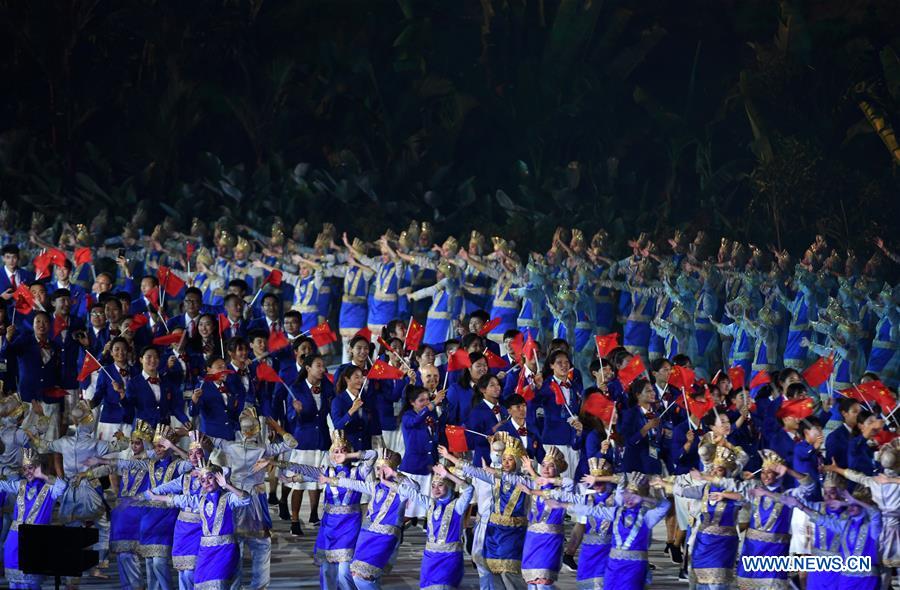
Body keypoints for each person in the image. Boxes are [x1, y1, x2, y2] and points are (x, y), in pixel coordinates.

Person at [277, 431, 377, 590]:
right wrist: (278, 465)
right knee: (327, 570)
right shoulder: (326, 471)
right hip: (329, 526)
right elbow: (305, 470)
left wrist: (350, 456)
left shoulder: (358, 471)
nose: (339, 454)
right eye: (336, 451)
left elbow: (373, 455)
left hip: (349, 525)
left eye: (343, 450)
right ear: (330, 454)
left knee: (345, 572)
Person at [546, 472, 671, 590]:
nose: (629, 498)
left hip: (634, 567)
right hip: (613, 565)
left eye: (634, 495)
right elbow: (592, 511)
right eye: (627, 493)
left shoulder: (647, 516)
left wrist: (650, 496)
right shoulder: (616, 512)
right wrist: (563, 505)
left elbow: (665, 505)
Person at [147, 459, 251, 590]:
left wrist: (227, 485)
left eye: (210, 478)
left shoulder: (228, 498)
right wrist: (156, 497)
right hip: (205, 551)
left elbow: (245, 498)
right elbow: (180, 500)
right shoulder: (200, 500)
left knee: (219, 585)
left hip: (225, 550)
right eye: (203, 480)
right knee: (201, 585)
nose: (206, 482)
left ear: (217, 479)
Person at [326, 448, 418, 590]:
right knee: (352, 574)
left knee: (364, 578)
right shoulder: (374, 486)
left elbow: (415, 487)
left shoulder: (401, 488)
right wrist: (328, 479)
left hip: (385, 537)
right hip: (366, 535)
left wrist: (394, 473)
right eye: (378, 468)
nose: (380, 472)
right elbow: (352, 483)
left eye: (384, 469)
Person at [0, 449, 68, 590]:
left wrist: (43, 475)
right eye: (24, 469)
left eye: (30, 468)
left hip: (35, 540)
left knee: (32, 583)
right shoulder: (20, 485)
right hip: (14, 540)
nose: (27, 472)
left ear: (38, 467)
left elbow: (63, 485)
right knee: (14, 583)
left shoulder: (50, 488)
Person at [404, 463, 474, 590]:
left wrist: (448, 475)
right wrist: (393, 474)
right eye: (433, 486)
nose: (435, 489)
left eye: (440, 485)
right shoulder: (430, 503)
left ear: (449, 486)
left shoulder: (457, 506)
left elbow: (469, 489)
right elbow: (409, 490)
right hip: (429, 559)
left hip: (449, 559)